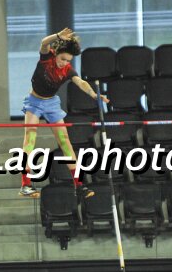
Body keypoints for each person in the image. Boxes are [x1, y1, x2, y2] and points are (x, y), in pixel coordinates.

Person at [19, 28, 108, 198]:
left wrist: (94, 95)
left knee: (65, 141)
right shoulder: (47, 58)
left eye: (68, 60)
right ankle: (25, 184)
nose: (64, 63)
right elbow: (44, 42)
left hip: (52, 104)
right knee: (30, 137)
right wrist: (58, 36)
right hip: (34, 101)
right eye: (62, 59)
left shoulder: (67, 70)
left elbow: (80, 82)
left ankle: (79, 185)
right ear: (56, 54)